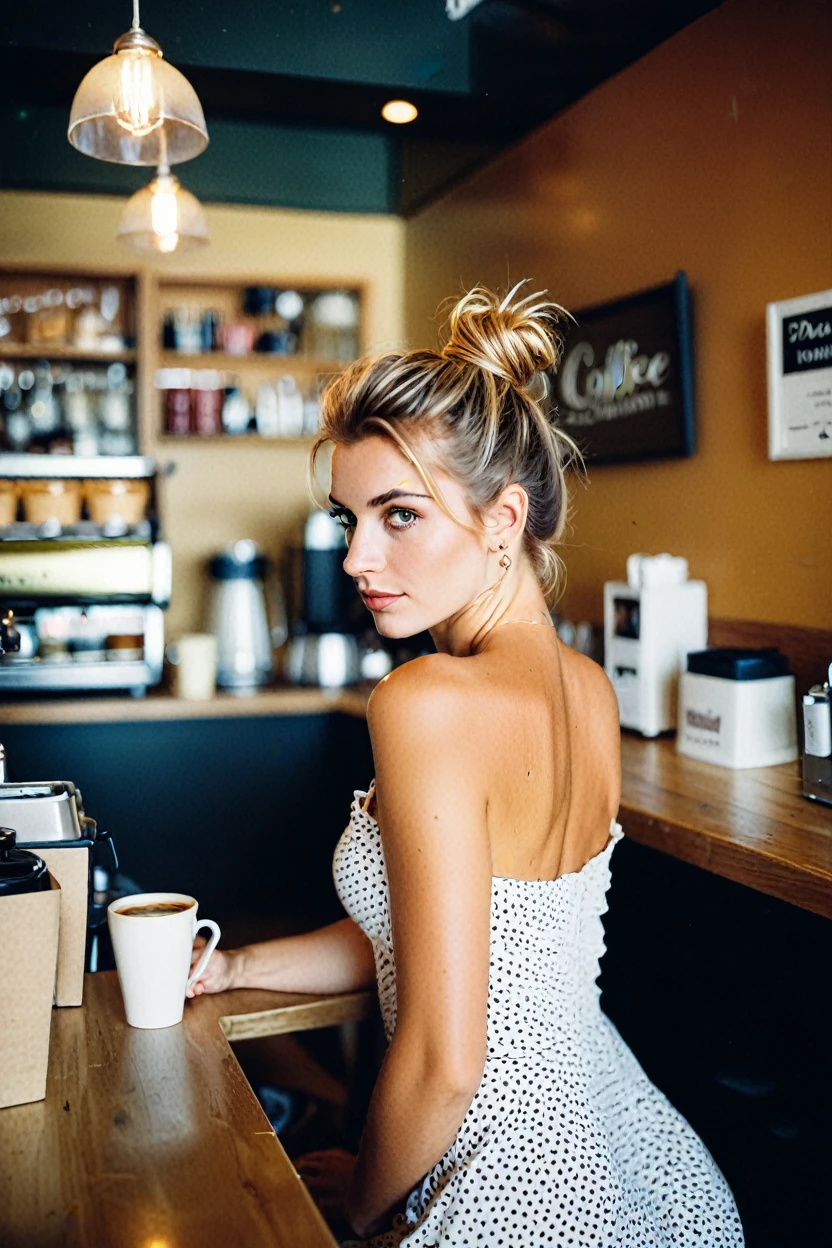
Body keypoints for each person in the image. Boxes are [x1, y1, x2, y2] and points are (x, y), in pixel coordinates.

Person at [188, 283, 745, 1247]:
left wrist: (363, 1204)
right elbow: (450, 935)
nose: (360, 554)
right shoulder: (589, 688)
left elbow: (448, 1061)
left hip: (504, 1181)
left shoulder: (425, 702)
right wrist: (238, 964)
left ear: (502, 519)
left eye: (399, 515)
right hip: (640, 1156)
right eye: (348, 518)